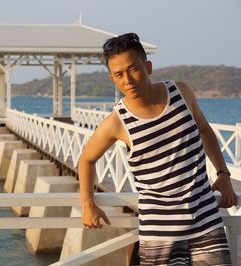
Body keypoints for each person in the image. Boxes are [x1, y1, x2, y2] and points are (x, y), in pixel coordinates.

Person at [78, 32, 238, 265]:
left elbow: (204, 129)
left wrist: (223, 173)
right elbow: (86, 159)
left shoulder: (181, 93)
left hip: (206, 221)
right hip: (160, 233)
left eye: (133, 69)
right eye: (119, 75)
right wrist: (87, 203)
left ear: (148, 66)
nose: (128, 80)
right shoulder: (117, 121)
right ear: (112, 79)